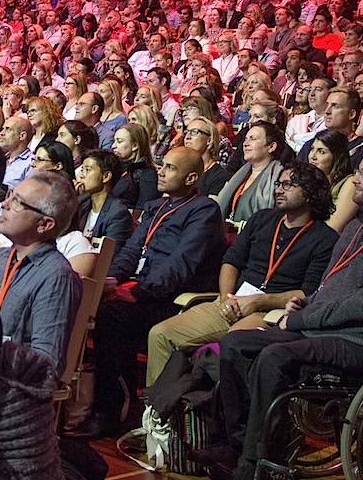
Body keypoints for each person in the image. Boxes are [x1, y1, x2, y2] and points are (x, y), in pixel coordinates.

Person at [196, 151, 363, 480]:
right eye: (356, 173)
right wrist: (305, 303)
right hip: (328, 329)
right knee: (236, 343)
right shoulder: (354, 229)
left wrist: (304, 317)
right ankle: (238, 444)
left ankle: (255, 463)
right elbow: (329, 287)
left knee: (274, 356)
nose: (355, 180)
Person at [141, 161, 338, 384]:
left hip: (272, 313)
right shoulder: (262, 219)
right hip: (231, 302)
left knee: (232, 343)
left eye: (289, 184)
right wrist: (226, 297)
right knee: (161, 334)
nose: (279, 189)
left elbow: (307, 292)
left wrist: (257, 302)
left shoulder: (325, 238)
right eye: (278, 184)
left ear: (311, 194)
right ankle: (157, 412)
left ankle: (213, 413)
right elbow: (231, 261)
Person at [81, 147, 225, 438]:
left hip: (175, 299)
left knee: (111, 317)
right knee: (87, 303)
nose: (161, 171)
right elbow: (133, 251)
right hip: (144, 288)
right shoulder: (156, 206)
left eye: (171, 168)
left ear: (192, 177)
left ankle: (112, 408)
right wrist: (109, 279)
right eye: (163, 165)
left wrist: (138, 293)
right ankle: (86, 401)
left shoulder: (204, 211)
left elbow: (181, 264)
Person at [0, 168, 82, 365]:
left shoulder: (56, 276)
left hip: (6, 388)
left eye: (17, 202)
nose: (3, 205)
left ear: (44, 224)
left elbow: (48, 361)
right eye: (9, 196)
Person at [215, 120, 283, 227]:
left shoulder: (280, 177)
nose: (245, 144)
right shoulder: (242, 173)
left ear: (271, 147)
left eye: (253, 139)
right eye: (245, 139)